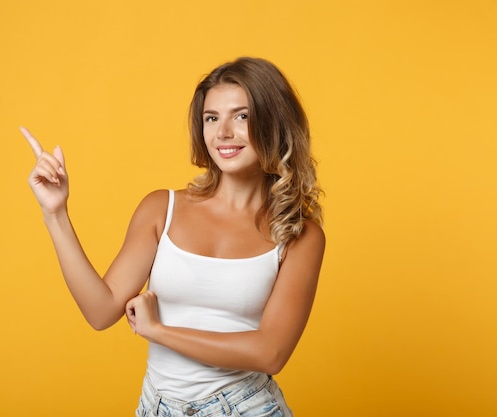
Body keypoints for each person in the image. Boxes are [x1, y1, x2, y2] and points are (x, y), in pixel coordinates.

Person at [22, 57, 325, 417]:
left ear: (274, 124)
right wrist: (55, 213)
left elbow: (270, 353)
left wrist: (159, 331)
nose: (222, 133)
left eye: (241, 116)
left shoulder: (299, 234)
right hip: (158, 407)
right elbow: (101, 311)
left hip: (247, 408)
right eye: (211, 118)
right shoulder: (160, 209)